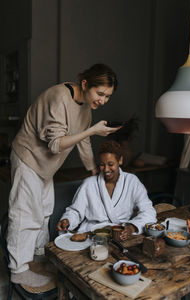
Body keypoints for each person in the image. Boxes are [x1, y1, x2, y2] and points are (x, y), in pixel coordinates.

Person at [7, 64, 120, 287]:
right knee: (25, 213)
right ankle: (18, 269)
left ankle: (38, 257)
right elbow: (56, 144)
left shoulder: (86, 107)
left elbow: (83, 140)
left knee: (45, 211)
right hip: (28, 158)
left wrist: (92, 169)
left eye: (107, 96)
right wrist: (93, 130)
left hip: (46, 167)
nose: (103, 100)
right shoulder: (59, 96)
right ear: (85, 84)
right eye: (100, 94)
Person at [57, 140, 157, 240]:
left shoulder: (132, 182)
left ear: (120, 160)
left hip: (120, 234)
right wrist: (67, 220)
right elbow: (76, 211)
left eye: (110, 164)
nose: (106, 169)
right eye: (102, 164)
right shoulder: (89, 184)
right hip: (91, 234)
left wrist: (132, 227)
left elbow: (148, 211)